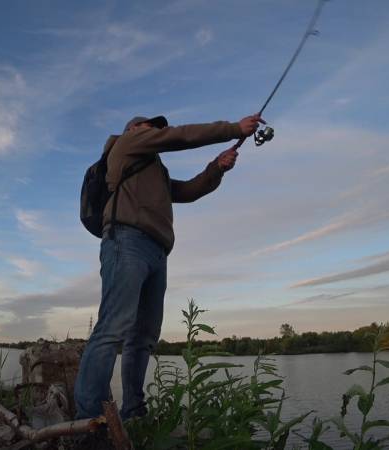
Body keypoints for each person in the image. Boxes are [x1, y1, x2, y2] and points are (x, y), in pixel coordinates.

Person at [74, 113, 264, 420]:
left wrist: (217, 168)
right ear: (135, 129)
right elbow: (179, 136)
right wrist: (233, 129)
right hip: (126, 240)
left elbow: (188, 191)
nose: (158, 132)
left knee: (144, 335)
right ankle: (88, 420)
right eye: (152, 127)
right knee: (113, 328)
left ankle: (133, 413)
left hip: (157, 251)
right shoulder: (126, 143)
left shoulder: (154, 172)